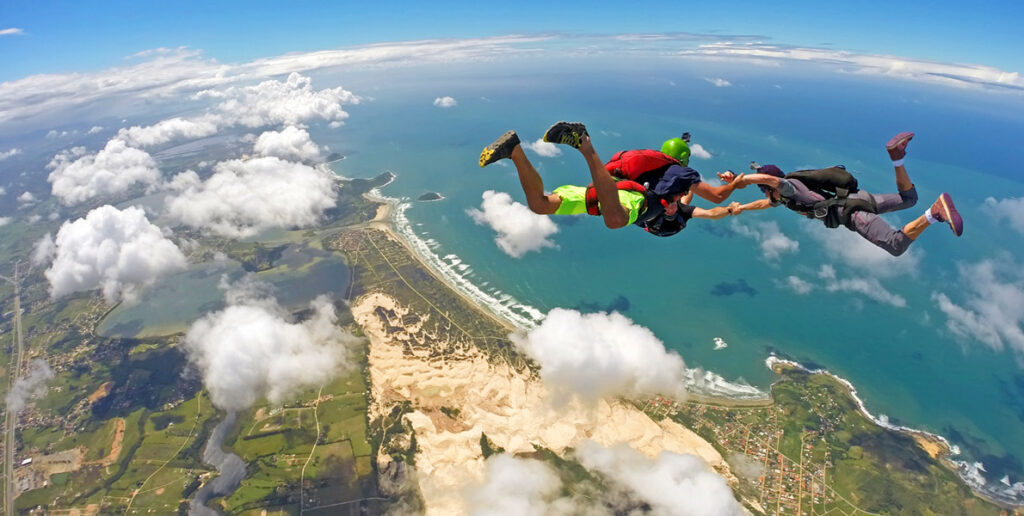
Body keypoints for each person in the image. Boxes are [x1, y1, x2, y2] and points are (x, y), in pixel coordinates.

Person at [478, 122, 745, 237]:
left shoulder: (665, 175)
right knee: (615, 220)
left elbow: (689, 199)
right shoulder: (683, 174)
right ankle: (584, 143)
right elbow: (716, 198)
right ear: (685, 160)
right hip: (629, 199)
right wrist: (736, 184)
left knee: (541, 204)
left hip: (610, 192)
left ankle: (513, 150)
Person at [730, 132, 963, 256]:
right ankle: (897, 156)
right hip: (860, 198)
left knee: (894, 245)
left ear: (770, 189)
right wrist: (741, 208)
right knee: (909, 199)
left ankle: (934, 212)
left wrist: (740, 181)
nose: (766, 195)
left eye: (765, 191)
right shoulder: (784, 199)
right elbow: (763, 204)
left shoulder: (788, 188)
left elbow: (770, 180)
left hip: (853, 213)